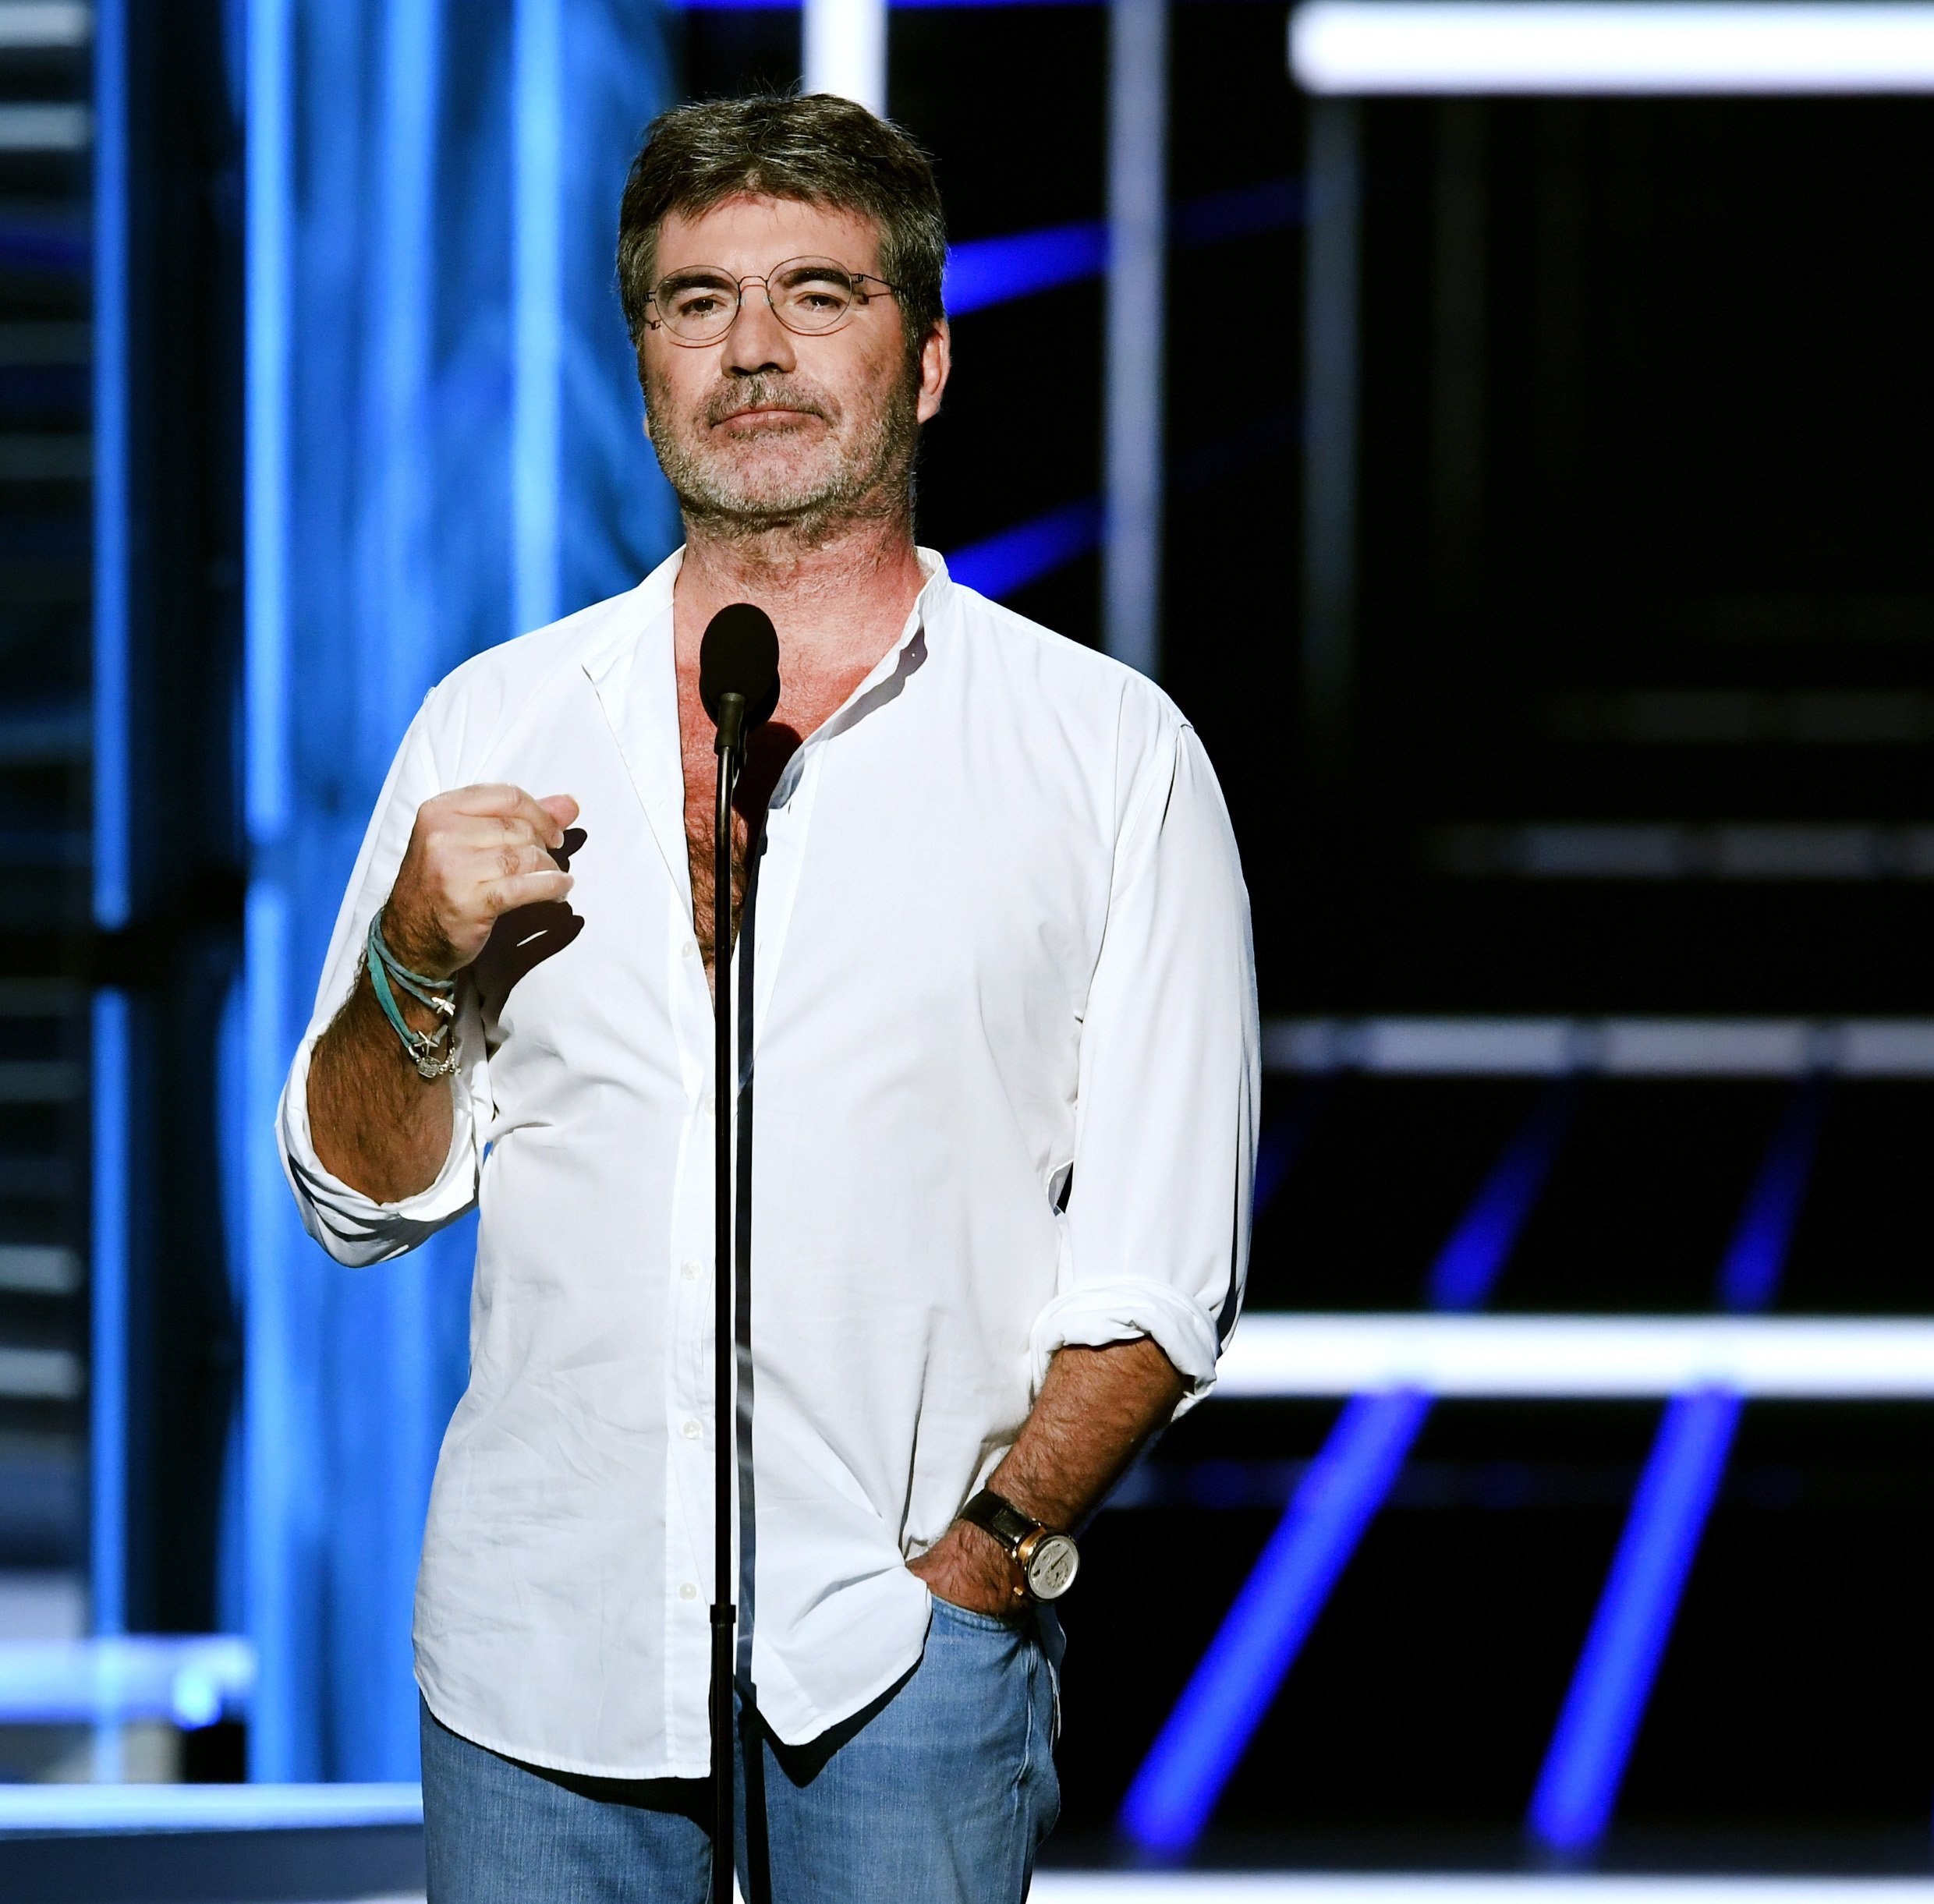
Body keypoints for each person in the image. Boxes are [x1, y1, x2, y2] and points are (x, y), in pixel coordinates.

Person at [284, 92, 1256, 1904]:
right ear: (642, 363)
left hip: (899, 1665)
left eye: (818, 295)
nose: (754, 352)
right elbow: (356, 1194)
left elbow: (1163, 1267)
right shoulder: (494, 722)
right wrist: (413, 961)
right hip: (533, 1663)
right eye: (694, 302)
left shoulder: (1102, 754)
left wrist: (982, 1566)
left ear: (930, 358)